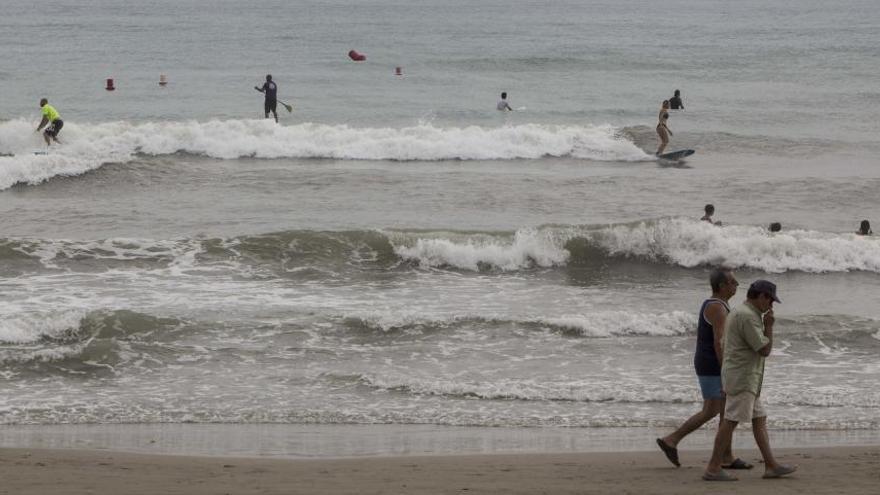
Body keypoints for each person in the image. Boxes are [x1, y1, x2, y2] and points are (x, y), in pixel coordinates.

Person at [702, 280, 797, 481]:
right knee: (730, 422)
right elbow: (764, 349)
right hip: (742, 378)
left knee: (759, 419)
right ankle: (712, 467)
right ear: (762, 296)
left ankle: (771, 465)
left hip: (743, 376)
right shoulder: (748, 317)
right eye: (770, 300)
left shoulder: (740, 312)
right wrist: (769, 326)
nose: (771, 306)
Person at [657, 268, 750, 469]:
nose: (737, 285)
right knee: (714, 410)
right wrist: (726, 370)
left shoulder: (719, 305)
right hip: (712, 363)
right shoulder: (717, 307)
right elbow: (719, 342)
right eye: (733, 282)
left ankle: (726, 455)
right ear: (722, 286)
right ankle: (672, 439)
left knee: (721, 410)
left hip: (708, 361)